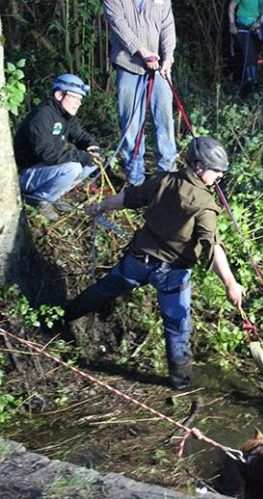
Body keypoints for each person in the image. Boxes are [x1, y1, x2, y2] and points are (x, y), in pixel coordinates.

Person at [64, 137, 244, 389]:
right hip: (171, 273)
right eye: (216, 171)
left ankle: (65, 316)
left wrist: (100, 207)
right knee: (178, 327)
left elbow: (129, 198)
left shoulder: (164, 180)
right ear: (199, 166)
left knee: (105, 289)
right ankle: (180, 383)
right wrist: (231, 284)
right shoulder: (205, 206)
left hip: (137, 260)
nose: (218, 177)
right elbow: (212, 248)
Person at [103, 0, 178, 186]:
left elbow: (168, 27)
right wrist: (143, 52)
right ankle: (135, 177)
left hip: (159, 68)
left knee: (165, 121)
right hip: (128, 66)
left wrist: (168, 57)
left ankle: (167, 176)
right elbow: (119, 25)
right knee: (130, 122)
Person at [13, 74, 103, 221]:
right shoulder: (42, 116)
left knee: (92, 163)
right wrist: (80, 156)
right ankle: (39, 199)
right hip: (26, 173)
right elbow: (47, 154)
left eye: (80, 99)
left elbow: (79, 135)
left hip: (45, 169)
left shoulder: (65, 115)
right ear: (59, 94)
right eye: (75, 98)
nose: (79, 103)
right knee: (73, 167)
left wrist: (92, 146)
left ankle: (55, 195)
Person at [228, 0, 263, 94]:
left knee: (254, 55)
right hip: (241, 26)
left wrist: (259, 22)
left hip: (255, 27)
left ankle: (253, 83)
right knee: (248, 54)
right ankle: (251, 82)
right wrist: (232, 24)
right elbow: (231, 7)